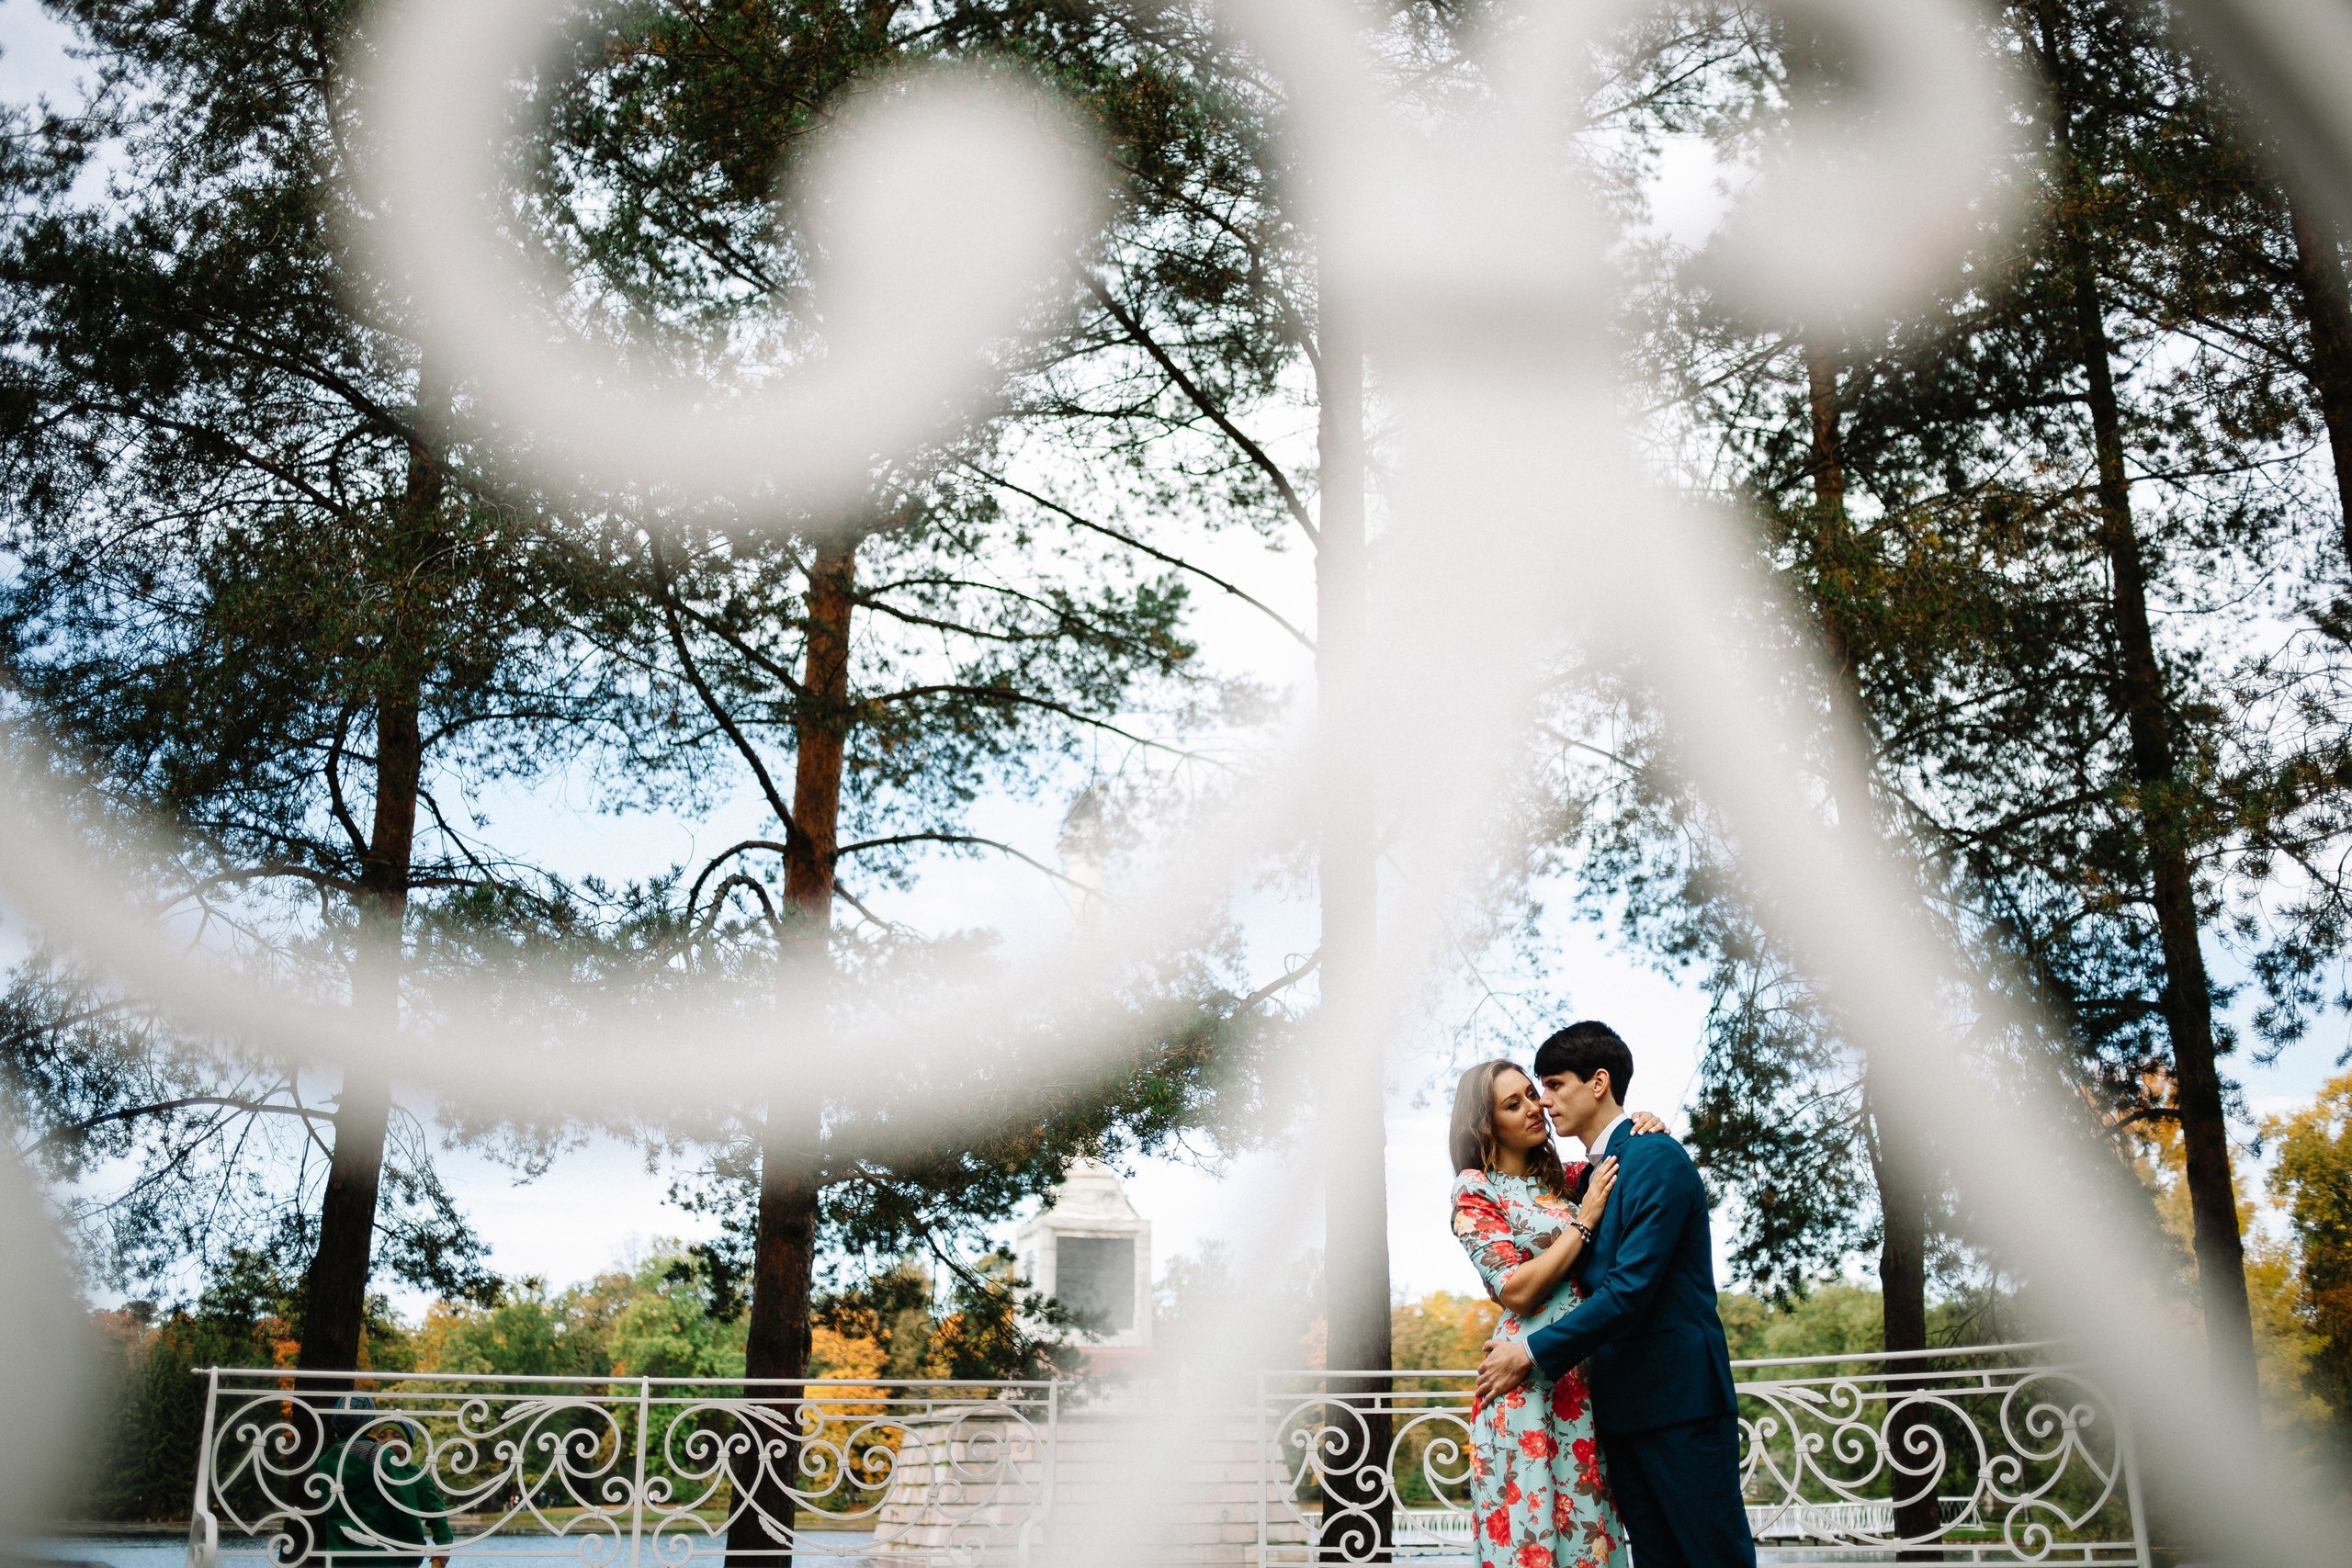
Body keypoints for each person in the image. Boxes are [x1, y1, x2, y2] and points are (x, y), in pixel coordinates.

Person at [1474, 1022, 1754, 1568]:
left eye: (1553, 1085)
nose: (1544, 1101)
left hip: (1680, 1407)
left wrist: (1530, 1354)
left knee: (1714, 1558)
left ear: (1598, 1081)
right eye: (1536, 1091)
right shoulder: (1584, 1182)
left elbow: (1630, 1290)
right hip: (1617, 1414)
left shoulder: (1655, 1159)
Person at [1447, 1058, 1667, 1568]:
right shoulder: (1475, 1189)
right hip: (1523, 1387)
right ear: (1485, 1123)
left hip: (1583, 1382)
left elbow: (1620, 1157)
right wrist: (1584, 1222)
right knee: (1533, 1544)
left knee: (1590, 1541)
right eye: (1513, 1103)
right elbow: (1516, 1291)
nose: (1535, 1108)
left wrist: (1642, 1127)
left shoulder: (1568, 1180)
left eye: (1532, 1094)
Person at [311, 1394, 455, 1568]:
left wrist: (441, 1543)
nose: (388, 1441)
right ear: (369, 1422)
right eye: (384, 1436)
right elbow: (403, 1511)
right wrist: (414, 1552)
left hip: (341, 1558)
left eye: (397, 1436)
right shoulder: (379, 1457)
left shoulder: (325, 1462)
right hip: (382, 1558)